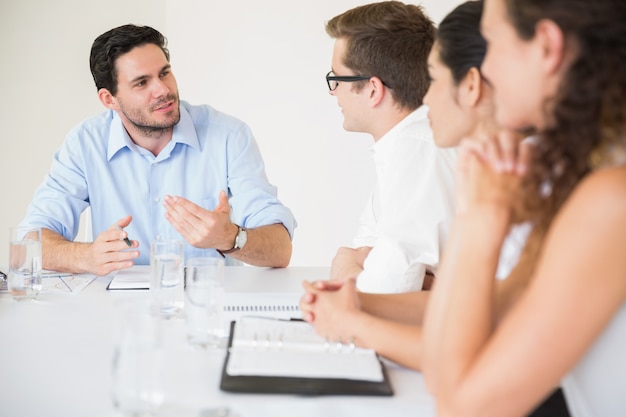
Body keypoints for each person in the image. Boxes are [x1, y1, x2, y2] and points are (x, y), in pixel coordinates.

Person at [420, 0, 626, 416]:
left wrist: (481, 220)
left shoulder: (611, 198)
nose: (488, 68)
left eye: (492, 42)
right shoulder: (584, 176)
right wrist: (472, 210)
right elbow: (440, 372)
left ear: (547, 46)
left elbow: (463, 408)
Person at [19, 24, 296, 276]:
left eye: (165, 73)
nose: (163, 90)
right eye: (142, 83)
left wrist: (229, 237)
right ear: (109, 99)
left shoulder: (228, 135)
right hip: (117, 314)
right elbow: (25, 244)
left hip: (206, 305)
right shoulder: (85, 143)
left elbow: (280, 249)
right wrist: (86, 256)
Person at [324, 1, 457, 293]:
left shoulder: (417, 150)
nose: (333, 91)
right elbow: (367, 247)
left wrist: (345, 265)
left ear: (373, 89)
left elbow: (378, 293)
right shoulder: (406, 145)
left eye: (336, 78)